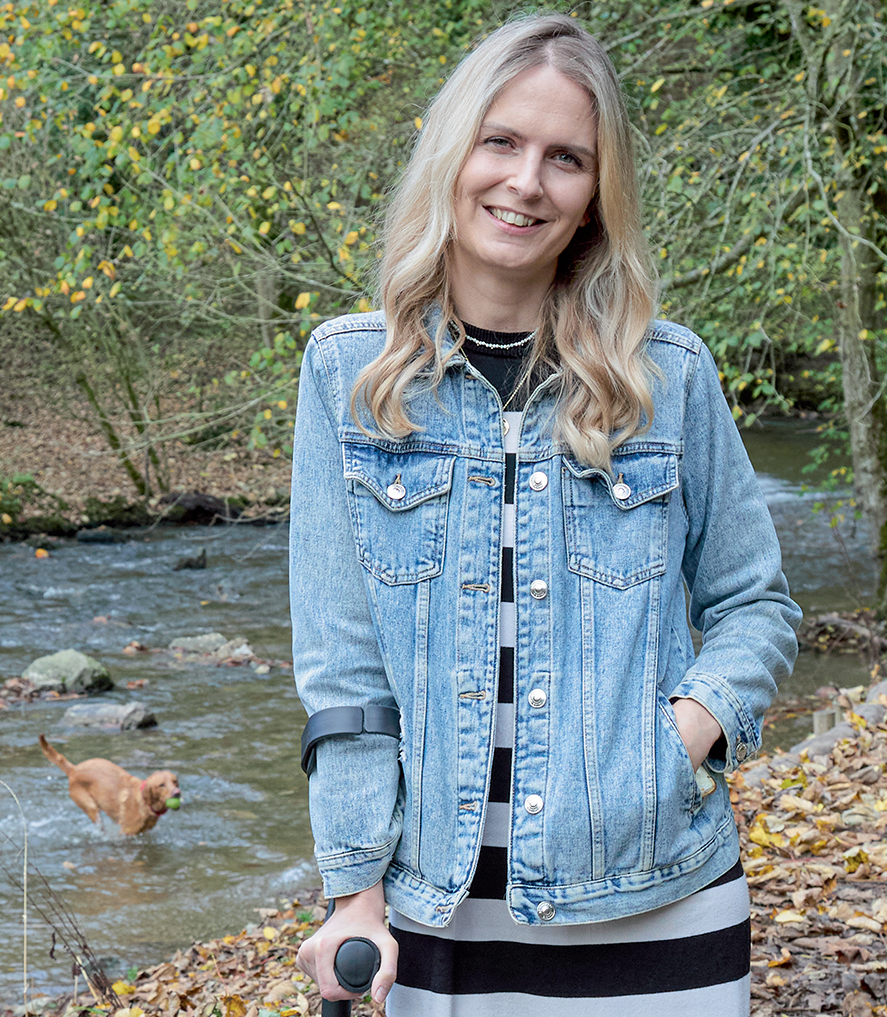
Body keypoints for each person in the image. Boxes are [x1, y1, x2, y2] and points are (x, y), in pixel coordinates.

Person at [289, 13, 800, 1015]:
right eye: (501, 143)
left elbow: (755, 605)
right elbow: (342, 671)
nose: (526, 182)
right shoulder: (348, 375)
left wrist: (678, 738)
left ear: (594, 200)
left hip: (659, 901)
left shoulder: (670, 378)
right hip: (433, 922)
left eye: (565, 158)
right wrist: (354, 894)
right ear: (452, 156)